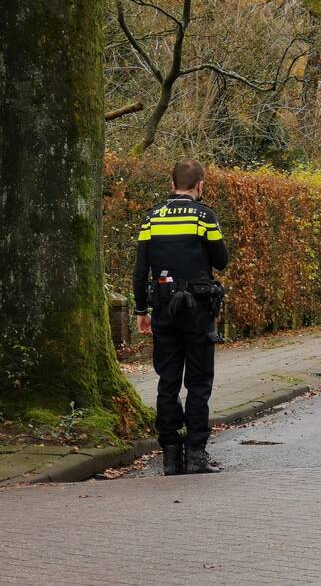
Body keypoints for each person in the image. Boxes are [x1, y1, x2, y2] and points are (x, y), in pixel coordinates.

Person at [133, 159, 228, 475]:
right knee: (199, 381)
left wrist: (141, 311)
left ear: (171, 184)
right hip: (199, 310)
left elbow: (139, 271)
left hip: (163, 309)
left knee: (168, 381)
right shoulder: (204, 217)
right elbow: (221, 260)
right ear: (200, 185)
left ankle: (171, 456)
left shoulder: (151, 219)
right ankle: (197, 454)